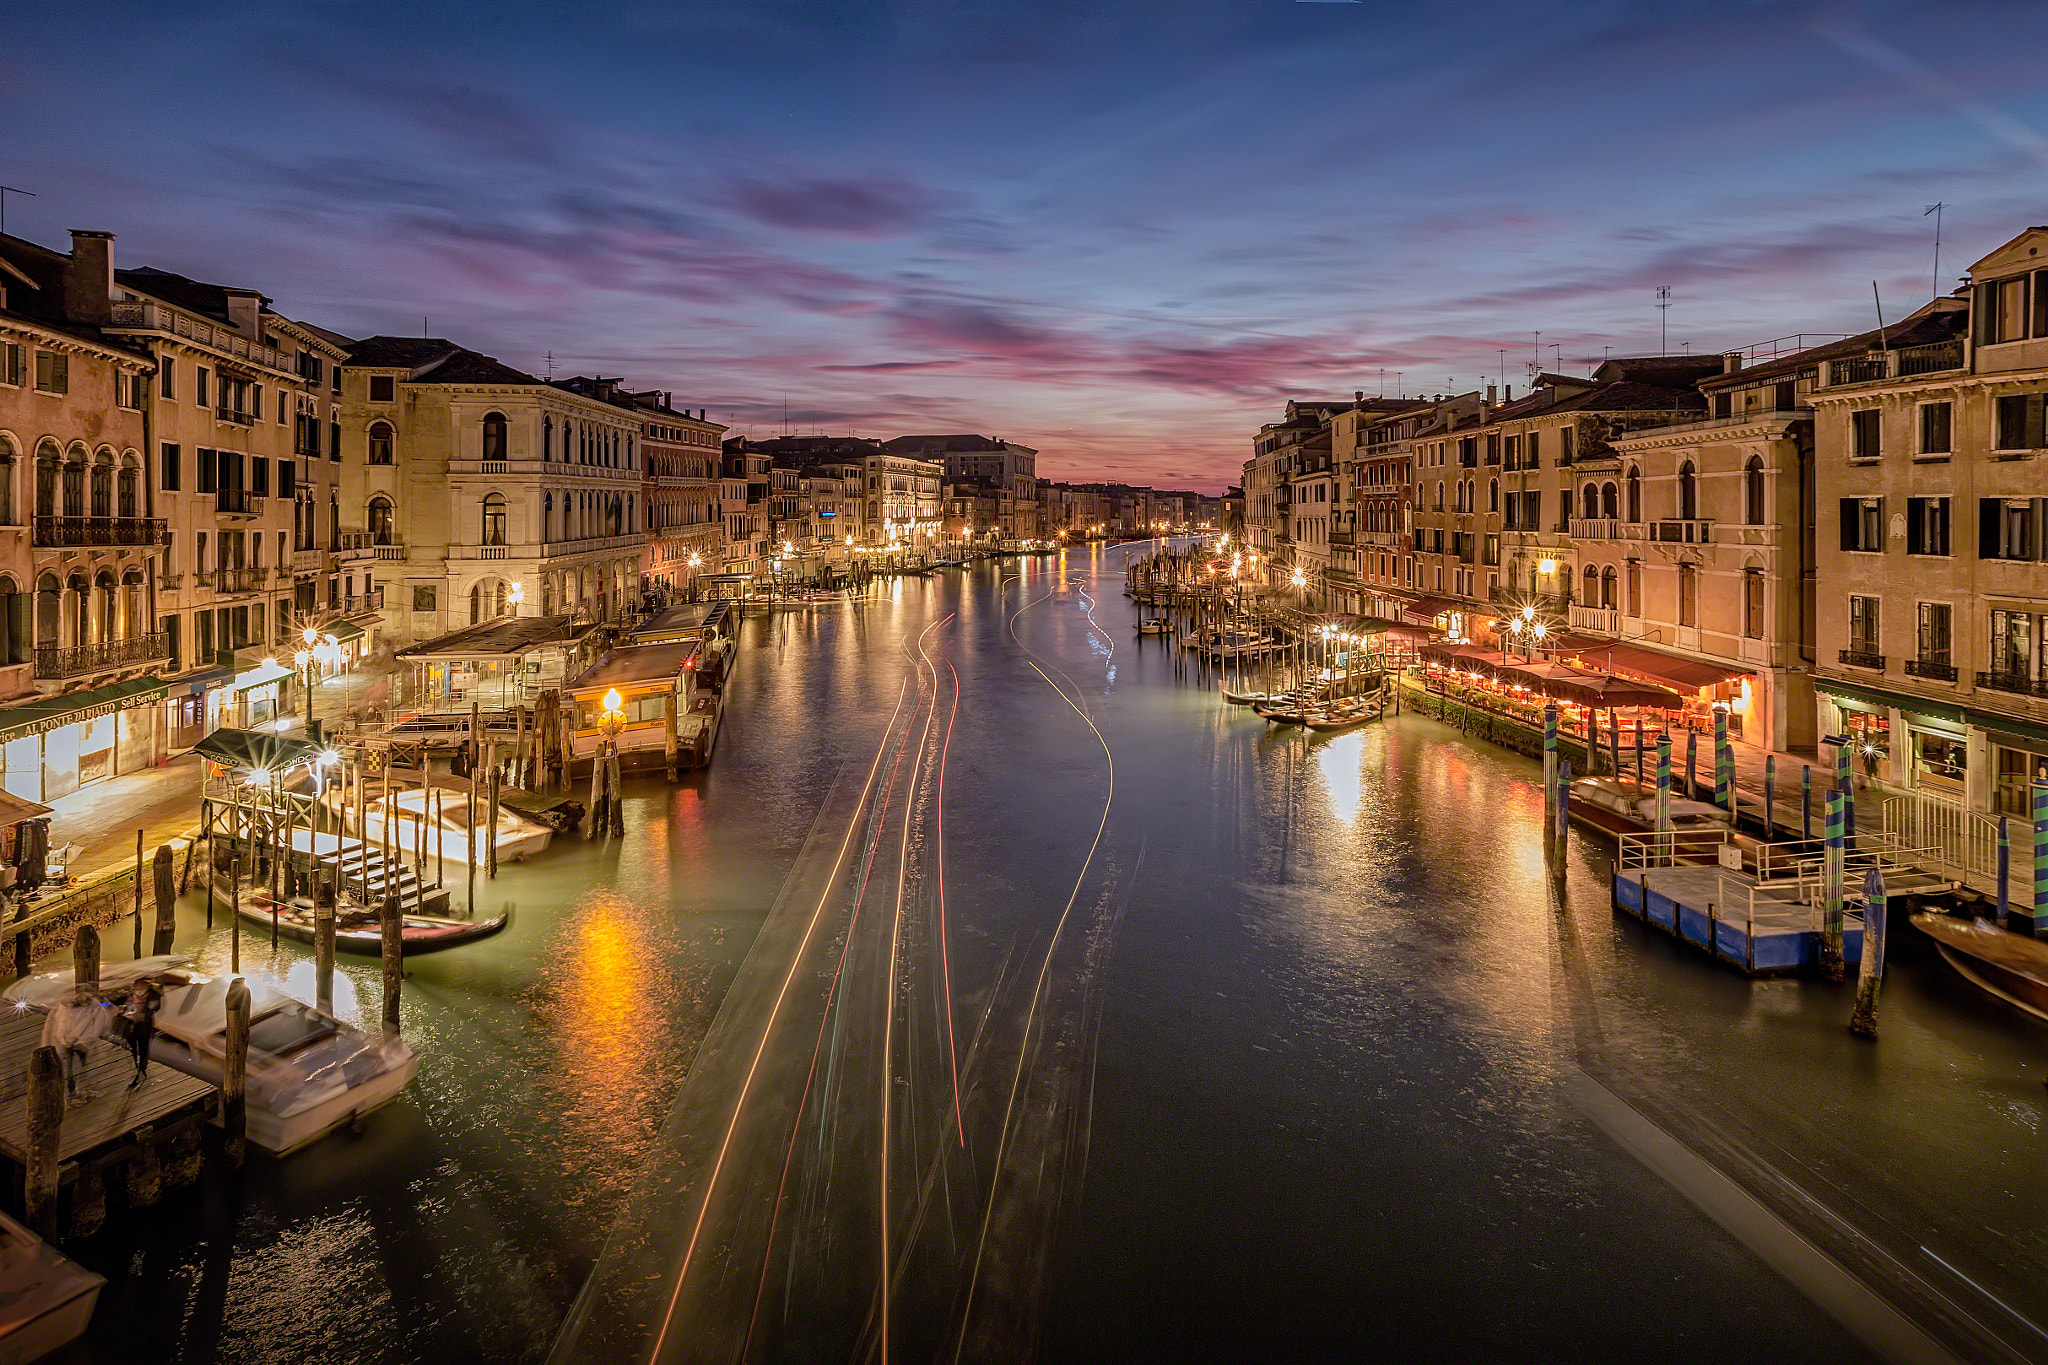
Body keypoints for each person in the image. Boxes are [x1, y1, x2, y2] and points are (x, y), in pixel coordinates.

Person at [40, 986, 105, 1104]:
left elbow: (101, 1013)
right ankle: (71, 1093)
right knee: (69, 1068)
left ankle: (74, 1091)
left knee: (75, 1068)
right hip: (70, 1043)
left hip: (74, 1043)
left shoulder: (67, 1007)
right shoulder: (64, 1007)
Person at [121, 980, 162, 1089]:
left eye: (141, 989)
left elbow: (155, 1007)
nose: (138, 992)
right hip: (130, 1027)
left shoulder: (153, 996)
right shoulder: (130, 995)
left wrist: (141, 1013)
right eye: (137, 989)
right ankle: (135, 1069)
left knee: (143, 1049)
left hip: (144, 1027)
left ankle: (142, 1070)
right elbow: (117, 1002)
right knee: (131, 1049)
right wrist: (102, 1004)